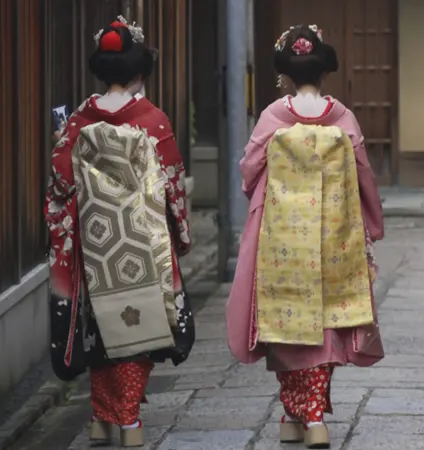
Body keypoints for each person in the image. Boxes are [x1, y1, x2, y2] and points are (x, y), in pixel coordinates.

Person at [226, 25, 385, 449]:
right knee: (327, 321)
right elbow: (365, 174)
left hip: (281, 236)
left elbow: (248, 169)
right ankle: (305, 416)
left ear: (287, 73)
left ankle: (303, 415)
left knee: (286, 319)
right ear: (323, 71)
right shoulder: (342, 118)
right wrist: (371, 220)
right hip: (335, 236)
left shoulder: (274, 117)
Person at [44, 16, 194, 448]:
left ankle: (100, 419)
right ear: (140, 72)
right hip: (140, 247)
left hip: (95, 247)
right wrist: (179, 236)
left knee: (99, 329)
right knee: (137, 328)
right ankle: (129, 422)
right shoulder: (153, 119)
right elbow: (172, 188)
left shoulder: (78, 120)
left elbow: (60, 187)